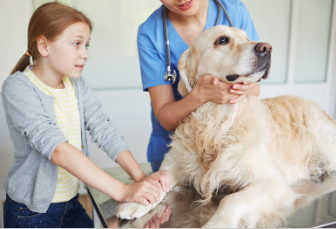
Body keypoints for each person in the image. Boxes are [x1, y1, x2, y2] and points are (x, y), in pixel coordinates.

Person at [2, 2, 170, 228]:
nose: (86, 53)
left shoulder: (77, 86)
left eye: (86, 45)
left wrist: (140, 179)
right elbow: (58, 150)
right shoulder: (18, 87)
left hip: (71, 204)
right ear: (43, 46)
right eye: (77, 44)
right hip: (30, 212)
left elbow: (103, 129)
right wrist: (123, 190)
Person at [138, 0, 261, 172]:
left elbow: (255, 88)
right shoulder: (151, 33)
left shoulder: (234, 11)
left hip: (232, 149)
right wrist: (200, 95)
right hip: (177, 154)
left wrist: (246, 88)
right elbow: (166, 118)